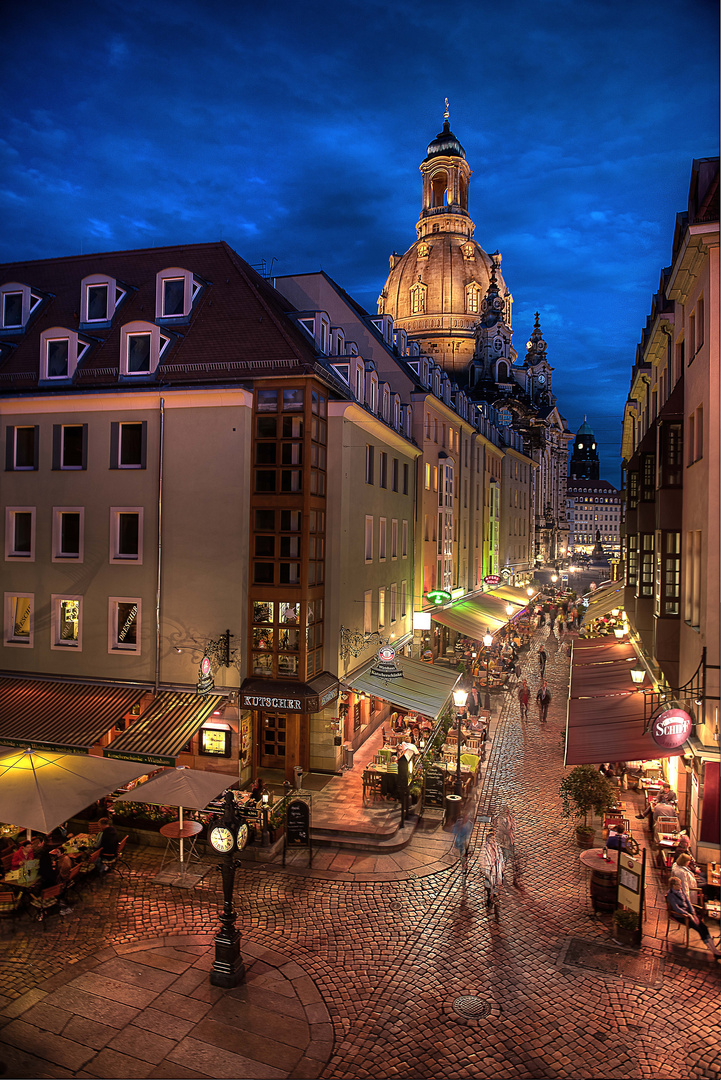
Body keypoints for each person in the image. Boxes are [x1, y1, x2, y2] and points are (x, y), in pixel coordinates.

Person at [666, 877, 720, 960]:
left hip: (689, 913)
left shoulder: (681, 891)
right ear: (673, 885)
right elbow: (677, 908)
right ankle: (714, 951)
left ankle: (714, 949)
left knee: (704, 927)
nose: (681, 886)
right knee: (699, 929)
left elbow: (688, 902)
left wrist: (693, 913)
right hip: (681, 916)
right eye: (678, 884)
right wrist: (689, 915)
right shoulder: (671, 894)